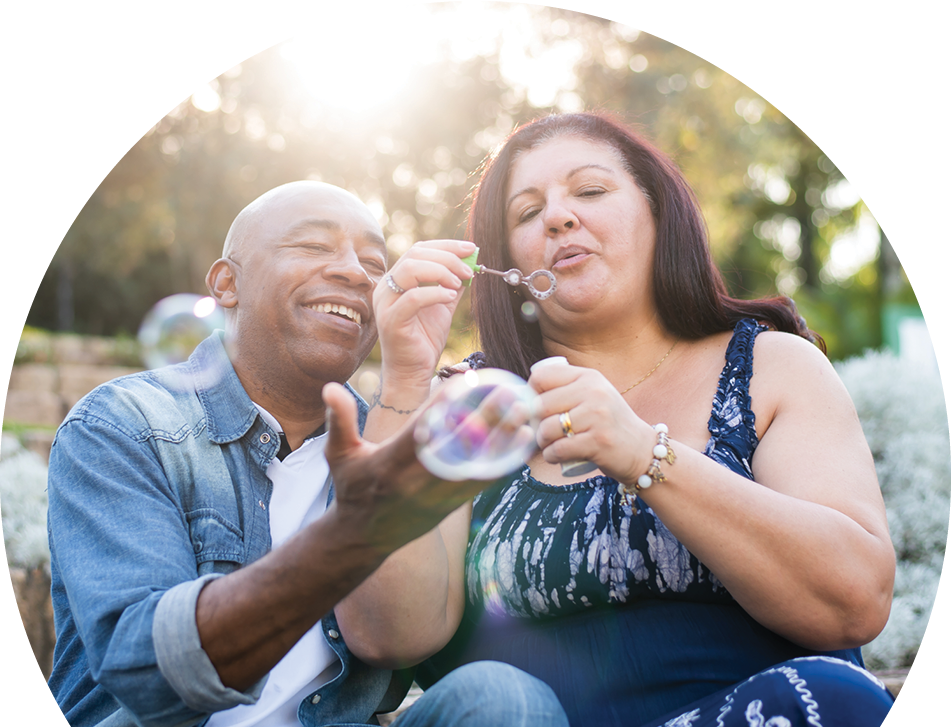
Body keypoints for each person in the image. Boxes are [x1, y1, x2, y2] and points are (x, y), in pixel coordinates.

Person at [358, 114, 898, 726]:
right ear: (507, 262)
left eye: (589, 191)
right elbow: (388, 636)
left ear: (658, 212)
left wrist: (646, 455)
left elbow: (854, 602)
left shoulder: (771, 368)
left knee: (834, 698)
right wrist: (403, 382)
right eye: (527, 212)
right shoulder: (469, 404)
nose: (558, 218)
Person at [45, 180, 569, 727]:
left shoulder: (388, 441)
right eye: (314, 247)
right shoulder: (125, 426)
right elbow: (147, 672)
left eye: (373, 261)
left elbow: (401, 639)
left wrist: (410, 378)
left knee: (502, 699)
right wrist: (349, 536)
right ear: (227, 284)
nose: (354, 272)